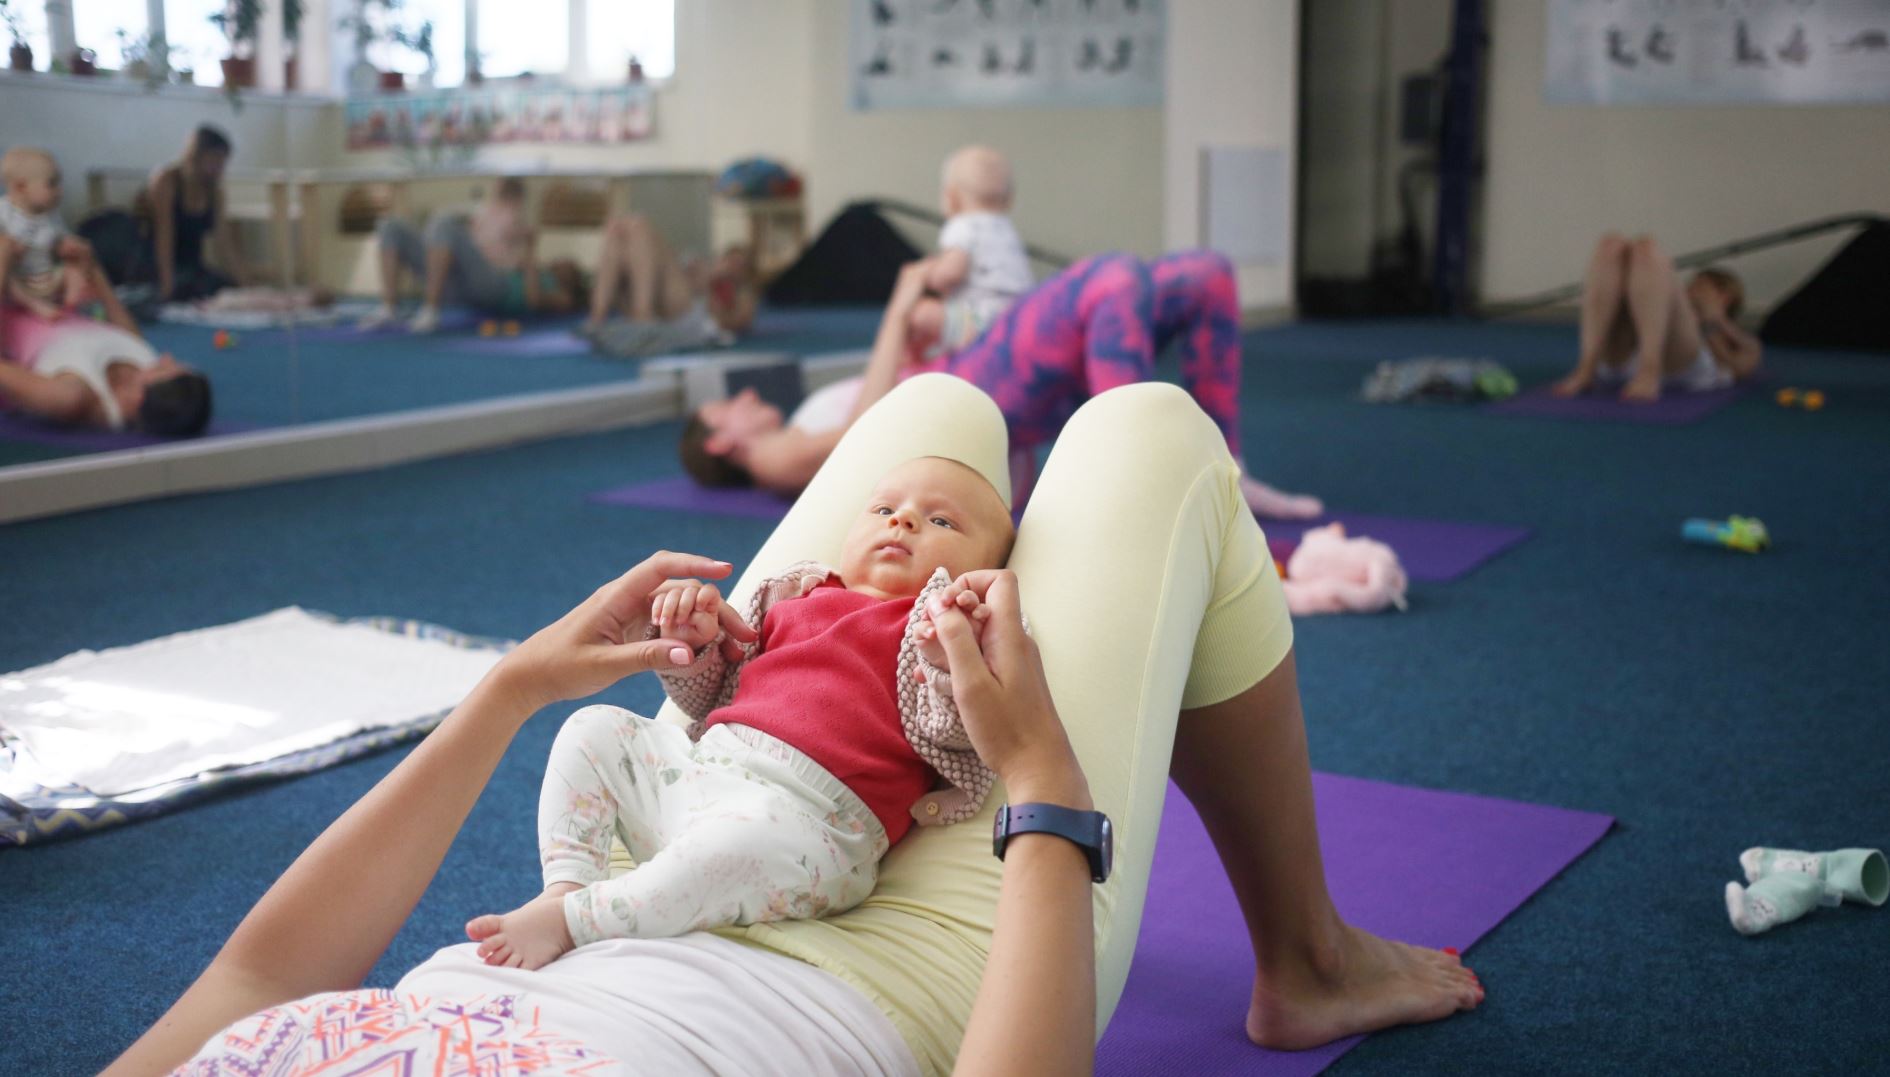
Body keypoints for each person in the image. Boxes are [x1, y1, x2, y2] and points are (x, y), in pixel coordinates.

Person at [106, 375, 1479, 1077]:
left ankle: (1307, 951)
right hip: (877, 978)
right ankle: (1306, 960)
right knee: (1146, 433)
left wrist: (517, 685)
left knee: (930, 423)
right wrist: (1040, 780)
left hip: (670, 858)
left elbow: (245, 991)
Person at [467, 455, 1017, 970]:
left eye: (941, 522)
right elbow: (713, 696)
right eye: (882, 510)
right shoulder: (793, 594)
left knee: (737, 846)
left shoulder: (940, 630)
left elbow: (960, 735)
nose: (902, 521)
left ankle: (573, 923)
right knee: (594, 728)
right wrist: (693, 640)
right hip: (706, 770)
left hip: (811, 826)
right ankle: (568, 882)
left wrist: (952, 665)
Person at [683, 251, 1324, 518]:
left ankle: (1226, 472)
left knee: (1207, 275)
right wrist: (902, 300)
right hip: (965, 392)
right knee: (1115, 277)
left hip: (974, 374)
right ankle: (1137, 490)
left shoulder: (796, 417)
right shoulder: (770, 461)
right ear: (721, 446)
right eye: (726, 408)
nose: (743, 396)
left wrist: (923, 328)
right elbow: (866, 425)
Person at [0, 234, 212, 436]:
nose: (166, 357)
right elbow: (126, 333)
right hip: (44, 296)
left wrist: (4, 253)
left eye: (165, 368)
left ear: (138, 397)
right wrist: (91, 264)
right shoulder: (142, 363)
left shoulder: (70, 396)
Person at [1552, 233, 1763, 402]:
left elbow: (1741, 368)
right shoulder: (1663, 309)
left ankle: (1649, 369)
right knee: (1611, 246)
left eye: (1702, 287)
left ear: (1726, 298)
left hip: (1679, 366)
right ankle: (1586, 368)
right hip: (1625, 353)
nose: (1692, 290)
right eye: (1692, 285)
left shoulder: (1738, 338)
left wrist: (1713, 321)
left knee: (1647, 249)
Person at [360, 176, 588, 333]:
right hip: (462, 281)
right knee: (390, 226)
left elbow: (533, 300)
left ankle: (430, 309)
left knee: (445, 223)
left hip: (493, 286)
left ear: (573, 280)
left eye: (569, 265)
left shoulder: (559, 292)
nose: (562, 261)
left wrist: (529, 250)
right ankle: (389, 308)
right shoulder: (537, 267)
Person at [905, 145, 1034, 356]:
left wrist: (929, 274)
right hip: (1020, 315)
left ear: (952, 198)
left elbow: (952, 272)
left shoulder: (961, 226)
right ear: (1009, 199)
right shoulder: (1006, 228)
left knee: (922, 313)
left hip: (981, 316)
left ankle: (954, 347)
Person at [579, 211, 757, 338]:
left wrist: (709, 288)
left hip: (687, 315)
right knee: (616, 230)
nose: (732, 266)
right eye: (730, 260)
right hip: (657, 297)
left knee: (640, 226)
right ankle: (598, 316)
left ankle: (641, 314)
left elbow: (731, 322)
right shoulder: (704, 265)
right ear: (720, 259)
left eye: (740, 264)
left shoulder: (744, 293)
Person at [136, 125, 250, 303]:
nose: (219, 168)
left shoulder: (215, 192)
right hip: (158, 264)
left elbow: (224, 243)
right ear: (196, 156)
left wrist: (245, 284)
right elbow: (164, 235)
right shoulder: (167, 181)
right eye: (214, 160)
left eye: (222, 163)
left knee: (222, 286)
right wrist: (167, 285)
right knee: (181, 289)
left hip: (192, 267)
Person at [0, 147, 103, 320]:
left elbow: (60, 239)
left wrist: (65, 246)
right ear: (21, 186)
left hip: (46, 277)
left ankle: (74, 304)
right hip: (18, 282)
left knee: (76, 266)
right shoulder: (5, 211)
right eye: (52, 184)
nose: (59, 191)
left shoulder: (50, 216)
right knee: (7, 276)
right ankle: (34, 305)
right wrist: (10, 248)